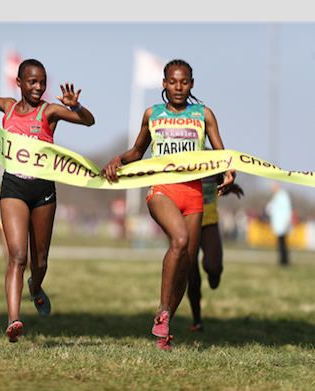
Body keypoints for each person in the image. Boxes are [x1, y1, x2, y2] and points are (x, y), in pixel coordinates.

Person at [0, 44, 95, 342]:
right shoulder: (8, 107)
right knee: (18, 256)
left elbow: (88, 122)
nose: (38, 87)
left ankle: (36, 287)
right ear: (19, 82)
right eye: (32, 81)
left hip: (43, 190)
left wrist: (75, 106)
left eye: (42, 82)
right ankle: (14, 319)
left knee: (39, 261)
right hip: (13, 186)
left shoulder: (51, 111)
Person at [101, 59, 235, 351]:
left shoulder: (204, 115)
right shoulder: (153, 114)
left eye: (184, 82)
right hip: (162, 190)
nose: (178, 87)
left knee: (186, 268)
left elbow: (221, 154)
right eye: (172, 82)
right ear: (164, 83)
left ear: (192, 84)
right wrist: (117, 160)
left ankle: (164, 331)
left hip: (196, 195)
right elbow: (138, 151)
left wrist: (229, 171)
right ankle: (162, 309)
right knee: (181, 239)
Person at [187, 173, 244, 333]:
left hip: (208, 221)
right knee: (192, 277)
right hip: (186, 221)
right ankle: (197, 321)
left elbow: (220, 184)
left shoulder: (215, 160)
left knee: (213, 266)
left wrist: (228, 187)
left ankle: (214, 272)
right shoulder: (183, 155)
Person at [266, 181, 293, 266]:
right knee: (280, 243)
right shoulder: (276, 196)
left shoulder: (283, 196)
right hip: (278, 223)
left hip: (282, 223)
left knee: (283, 243)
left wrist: (285, 222)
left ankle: (284, 261)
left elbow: (287, 210)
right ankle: (282, 260)